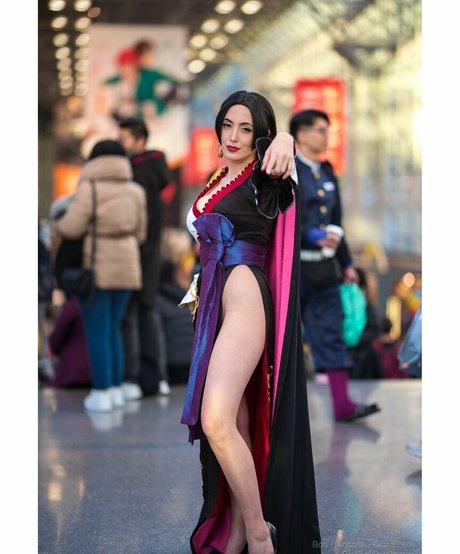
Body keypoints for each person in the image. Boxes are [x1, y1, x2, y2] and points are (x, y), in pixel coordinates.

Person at [181, 90, 321, 553]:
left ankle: (261, 533)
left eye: (247, 129)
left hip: (243, 296)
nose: (234, 136)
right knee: (237, 426)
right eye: (228, 125)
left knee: (216, 419)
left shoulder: (266, 173)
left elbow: (288, 167)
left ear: (260, 135)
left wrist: (285, 139)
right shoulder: (218, 176)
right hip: (214, 304)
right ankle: (240, 533)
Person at [289, 108, 381, 422]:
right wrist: (311, 235)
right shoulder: (289, 171)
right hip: (295, 271)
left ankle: (343, 405)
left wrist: (347, 263)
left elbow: (336, 222)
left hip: (326, 272)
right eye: (320, 130)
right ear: (301, 134)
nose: (325, 136)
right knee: (285, 340)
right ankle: (279, 412)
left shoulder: (327, 172)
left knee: (331, 335)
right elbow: (282, 220)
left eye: (326, 130)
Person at [55, 139, 147, 412]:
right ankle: (116, 388)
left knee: (97, 330)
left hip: (97, 268)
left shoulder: (90, 187)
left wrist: (59, 223)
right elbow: (141, 234)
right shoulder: (136, 191)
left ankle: (102, 392)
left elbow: (72, 227)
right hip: (128, 267)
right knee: (114, 328)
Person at [119, 117, 173, 398]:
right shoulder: (154, 172)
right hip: (148, 254)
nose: (122, 144)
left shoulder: (137, 173)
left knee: (132, 313)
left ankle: (134, 379)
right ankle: (155, 377)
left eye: (125, 139)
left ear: (140, 141)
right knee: (145, 311)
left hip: (137, 253)